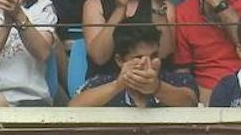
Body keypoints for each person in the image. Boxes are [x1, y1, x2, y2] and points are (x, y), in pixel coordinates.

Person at [70, 21, 198, 104]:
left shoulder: (179, 81)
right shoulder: (100, 83)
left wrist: (156, 88)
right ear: (120, 61)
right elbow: (73, 107)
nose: (148, 64)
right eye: (138, 57)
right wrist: (117, 86)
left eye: (154, 56)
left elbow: (190, 102)